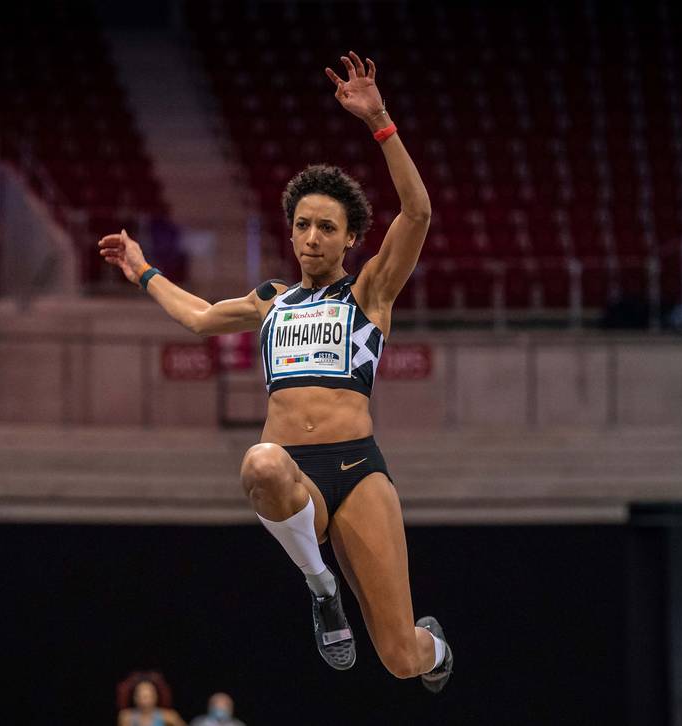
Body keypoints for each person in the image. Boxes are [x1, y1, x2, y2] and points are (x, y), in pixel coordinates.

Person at [98, 51, 452, 691]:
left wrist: (380, 122)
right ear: (290, 233)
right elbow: (200, 317)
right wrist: (143, 271)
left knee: (401, 659)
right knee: (260, 461)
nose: (312, 237)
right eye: (302, 225)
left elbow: (418, 213)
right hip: (294, 475)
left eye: (327, 228)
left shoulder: (369, 292)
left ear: (350, 238)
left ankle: (437, 649)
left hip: (358, 468)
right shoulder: (271, 301)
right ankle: (322, 589)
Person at [116, 673, 185, 726]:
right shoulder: (126, 717)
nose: (144, 700)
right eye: (140, 696)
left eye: (148, 696)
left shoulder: (169, 716)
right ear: (134, 697)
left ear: (156, 696)